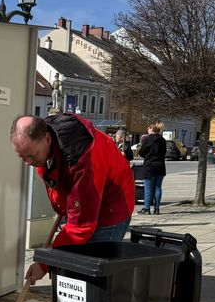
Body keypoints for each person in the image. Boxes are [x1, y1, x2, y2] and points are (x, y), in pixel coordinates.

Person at [10, 113, 135, 284]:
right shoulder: (47, 135)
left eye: (31, 155)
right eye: (22, 157)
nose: (27, 162)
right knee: (72, 268)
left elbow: (81, 226)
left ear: (47, 139)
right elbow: (57, 179)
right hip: (87, 201)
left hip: (111, 208)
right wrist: (64, 209)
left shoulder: (83, 161)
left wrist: (45, 263)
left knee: (92, 276)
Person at [138, 121, 167, 215]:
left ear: (152, 129)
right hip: (160, 165)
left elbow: (142, 152)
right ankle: (157, 209)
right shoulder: (162, 140)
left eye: (148, 128)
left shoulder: (147, 139)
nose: (147, 129)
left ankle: (147, 209)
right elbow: (164, 152)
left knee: (148, 188)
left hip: (149, 165)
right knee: (158, 187)